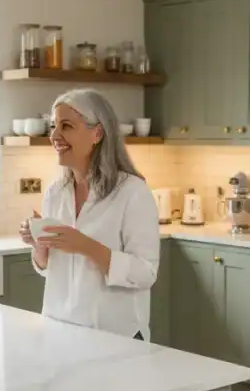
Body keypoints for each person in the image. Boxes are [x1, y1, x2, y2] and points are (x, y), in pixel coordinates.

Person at [19, 89, 160, 340]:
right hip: (61, 330)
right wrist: (39, 244)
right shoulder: (55, 192)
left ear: (97, 133)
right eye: (53, 126)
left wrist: (85, 246)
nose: (54, 136)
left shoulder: (132, 192)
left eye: (66, 126)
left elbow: (145, 273)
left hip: (116, 335)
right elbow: (50, 269)